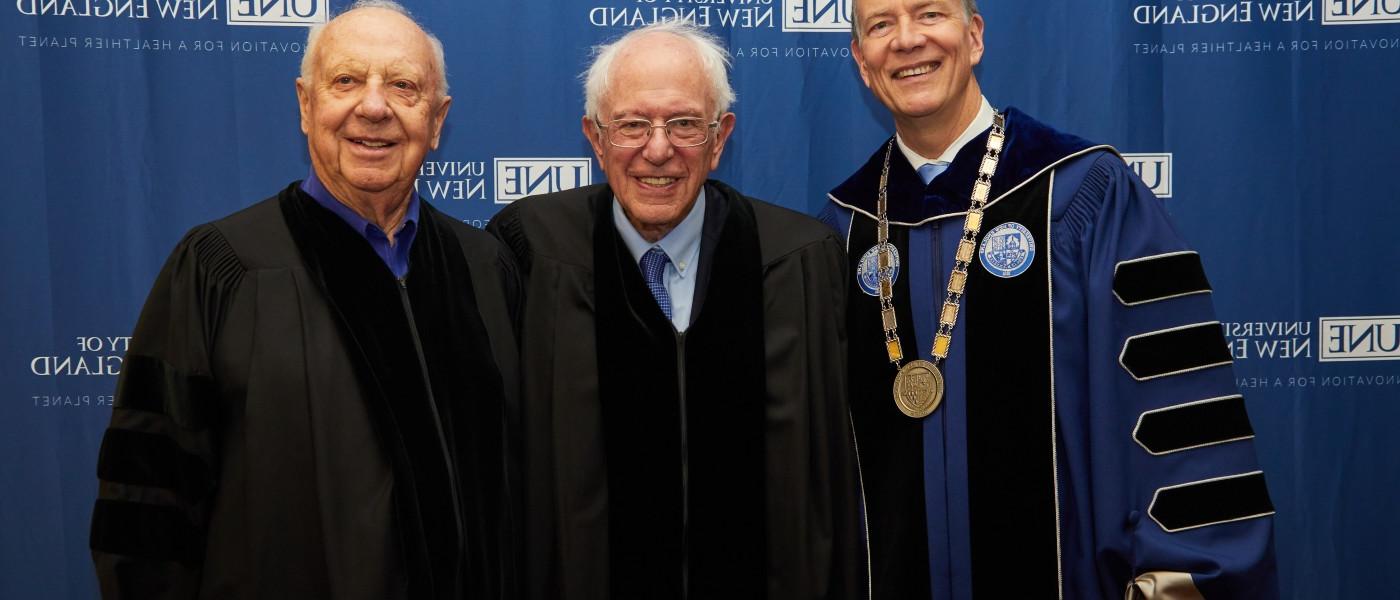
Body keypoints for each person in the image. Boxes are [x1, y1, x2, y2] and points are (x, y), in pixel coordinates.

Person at [819, 1, 1279, 598]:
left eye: (929, 14)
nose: (906, 40)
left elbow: (1180, 414)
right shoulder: (844, 228)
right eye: (880, 25)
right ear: (861, 60)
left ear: (974, 35)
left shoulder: (1084, 194)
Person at [88, 2, 519, 598]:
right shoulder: (222, 268)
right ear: (305, 104)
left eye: (403, 86)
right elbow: (145, 507)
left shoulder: (485, 269)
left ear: (437, 119)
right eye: (346, 80)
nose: (374, 107)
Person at [487, 20, 863, 600]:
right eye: (632, 124)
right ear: (595, 136)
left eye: (685, 123)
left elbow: (834, 495)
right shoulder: (530, 255)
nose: (657, 149)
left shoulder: (798, 263)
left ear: (720, 138)